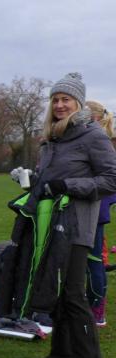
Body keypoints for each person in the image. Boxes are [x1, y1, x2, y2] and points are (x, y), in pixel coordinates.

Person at [24, 74, 116, 358]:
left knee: (74, 295)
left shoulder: (92, 135)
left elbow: (111, 180)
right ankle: (61, 355)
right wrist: (32, 180)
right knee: (60, 290)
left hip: (77, 226)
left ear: (78, 103)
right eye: (56, 100)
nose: (60, 105)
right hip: (52, 224)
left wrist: (68, 186)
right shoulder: (55, 136)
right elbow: (51, 177)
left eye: (66, 99)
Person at [84, 100, 116, 326]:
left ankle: (96, 311)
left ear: (93, 117)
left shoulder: (99, 141)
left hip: (94, 208)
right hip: (95, 207)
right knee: (92, 259)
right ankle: (93, 308)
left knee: (94, 259)